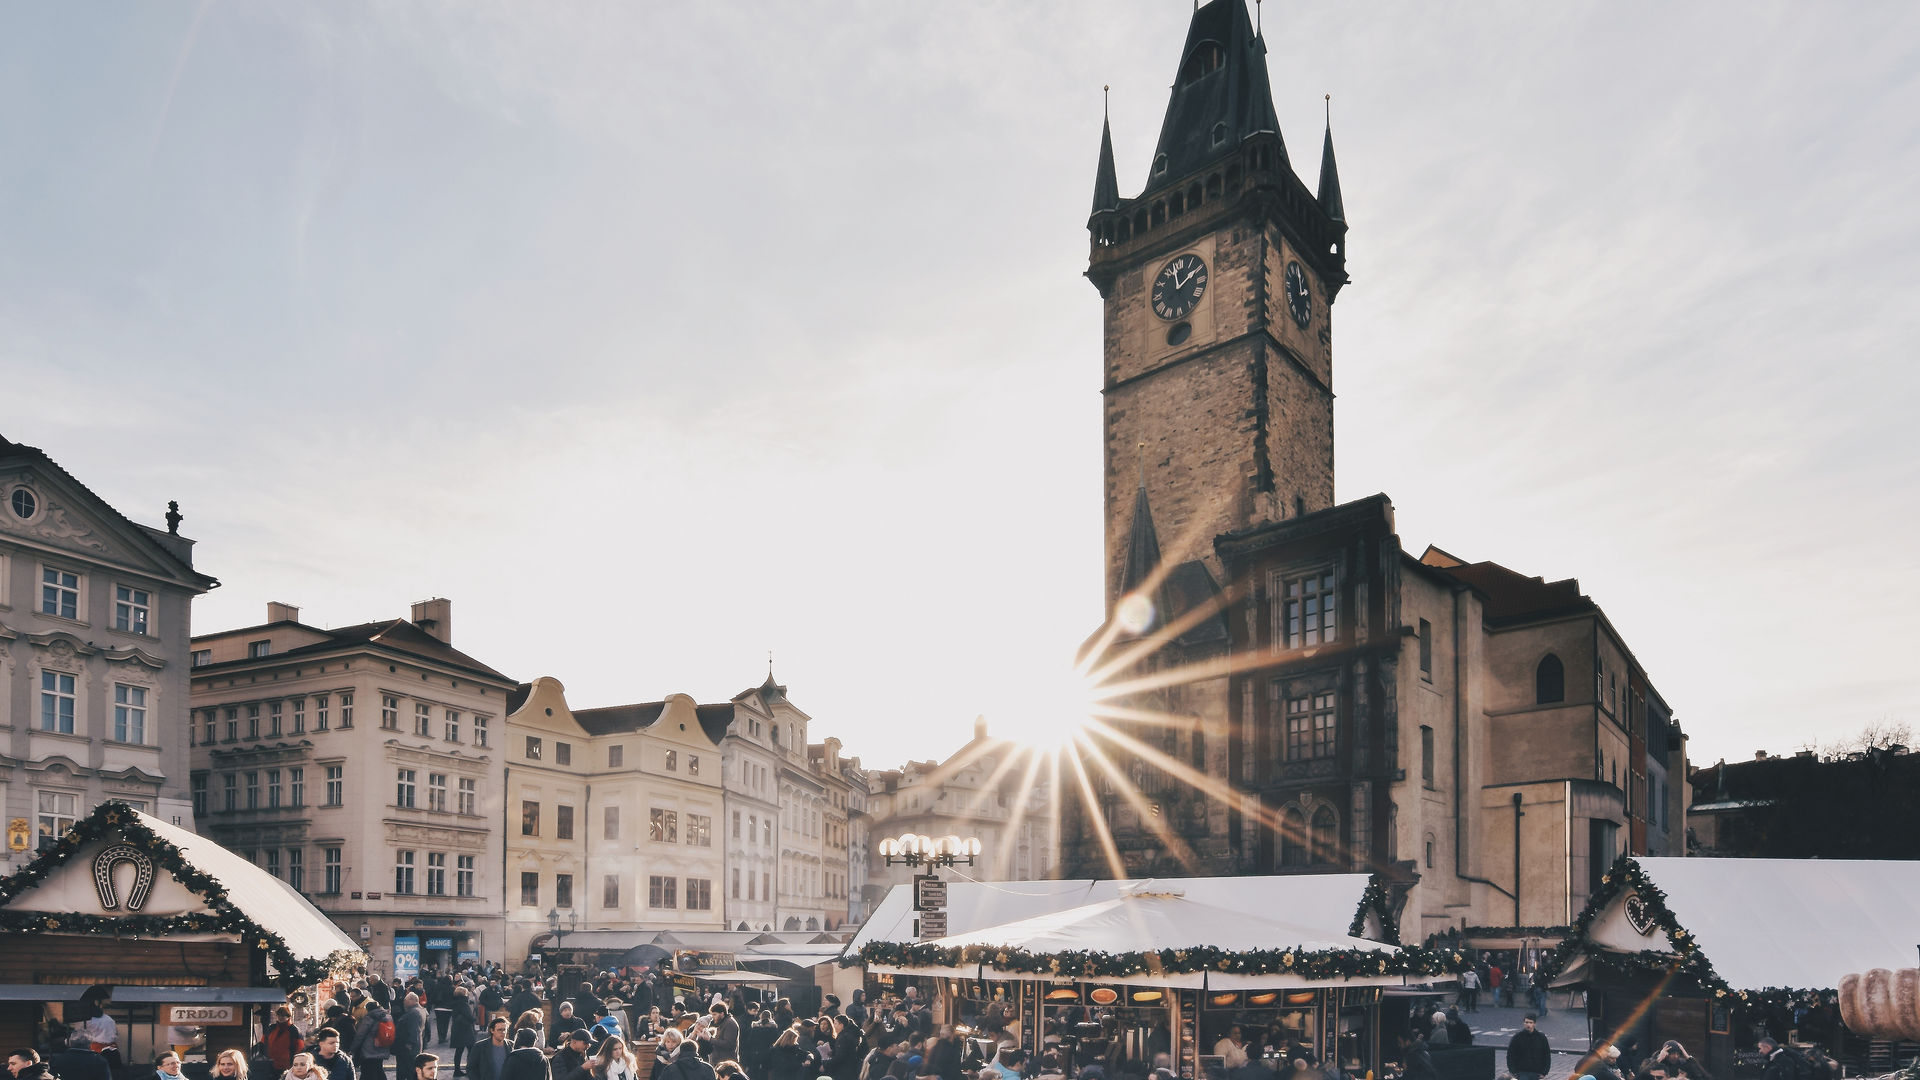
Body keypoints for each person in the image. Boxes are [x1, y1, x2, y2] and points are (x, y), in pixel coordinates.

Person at [354, 1000, 397, 1080]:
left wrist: (354, 1048)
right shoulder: (388, 1016)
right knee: (378, 1069)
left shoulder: (370, 1017)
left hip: (369, 1049)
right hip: (383, 1046)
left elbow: (361, 1034)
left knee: (368, 1071)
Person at [268, 1006, 311, 1073]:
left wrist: (295, 1064)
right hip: (271, 1064)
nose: (281, 1017)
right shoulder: (272, 1028)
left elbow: (300, 1049)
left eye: (283, 1015)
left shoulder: (294, 1031)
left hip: (288, 1066)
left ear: (288, 1017)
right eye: (279, 1015)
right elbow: (264, 1043)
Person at [1506, 1016, 1550, 1080]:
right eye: (1526, 1022)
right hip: (1522, 1073)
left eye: (1530, 1022)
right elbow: (1510, 1055)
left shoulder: (1541, 1037)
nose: (1528, 1024)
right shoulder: (1517, 1037)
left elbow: (1547, 1055)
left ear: (1534, 1024)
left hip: (1537, 1073)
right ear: (1524, 1023)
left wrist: (1544, 1072)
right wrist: (1514, 1072)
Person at [1635, 1042, 1704, 1080]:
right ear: (1666, 1053)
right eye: (1673, 1054)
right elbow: (1641, 1076)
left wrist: (1688, 1057)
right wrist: (1659, 1059)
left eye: (1678, 1054)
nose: (1676, 1056)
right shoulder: (1650, 1062)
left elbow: (1700, 1076)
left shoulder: (1682, 1063)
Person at [450, 989, 478, 1077]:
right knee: (471, 1050)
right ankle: (470, 1069)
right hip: (465, 1030)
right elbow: (468, 1016)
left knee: (459, 1051)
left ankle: (457, 1070)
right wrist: (474, 1019)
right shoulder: (463, 1003)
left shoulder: (455, 1002)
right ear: (464, 994)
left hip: (457, 1029)